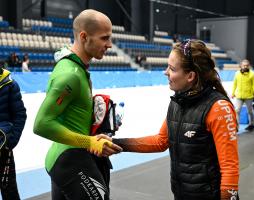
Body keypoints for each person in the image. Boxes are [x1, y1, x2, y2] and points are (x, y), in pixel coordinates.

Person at [113, 39, 240, 200]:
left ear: (190, 76)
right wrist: (117, 144)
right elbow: (161, 141)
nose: (166, 72)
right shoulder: (177, 102)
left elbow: (229, 168)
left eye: (172, 69)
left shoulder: (218, 108)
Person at [33, 9, 122, 200]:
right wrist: (88, 141)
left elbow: (69, 115)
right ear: (84, 36)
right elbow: (41, 124)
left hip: (66, 155)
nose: (109, 44)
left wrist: (98, 123)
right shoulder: (71, 75)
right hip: (70, 158)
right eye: (104, 38)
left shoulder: (76, 68)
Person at [0, 63, 27, 200]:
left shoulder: (9, 84)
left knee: (9, 192)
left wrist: (11, 141)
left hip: (3, 150)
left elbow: (20, 114)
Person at [231, 59, 254, 131]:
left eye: (247, 65)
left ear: (248, 66)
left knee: (250, 111)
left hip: (249, 96)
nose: (245, 67)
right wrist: (233, 93)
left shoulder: (252, 74)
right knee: (237, 111)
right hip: (239, 96)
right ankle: (236, 127)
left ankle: (251, 124)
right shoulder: (237, 74)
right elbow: (234, 84)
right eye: (244, 65)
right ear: (241, 66)